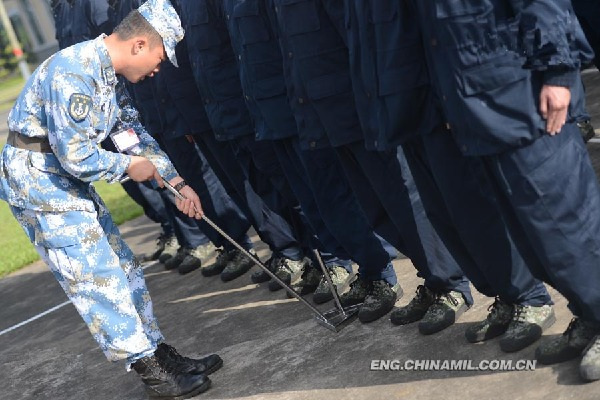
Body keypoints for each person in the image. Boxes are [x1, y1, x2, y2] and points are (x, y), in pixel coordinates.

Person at [0, 0, 222, 398]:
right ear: (138, 44)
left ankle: (157, 352)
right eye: (158, 56)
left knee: (124, 268)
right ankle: (151, 371)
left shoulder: (107, 75)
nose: (157, 69)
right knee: (97, 278)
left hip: (62, 178)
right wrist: (128, 168)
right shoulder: (75, 73)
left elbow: (131, 136)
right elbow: (77, 155)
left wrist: (175, 183)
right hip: (40, 184)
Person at [411, 0, 600, 381]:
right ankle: (589, 314)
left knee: (568, 228)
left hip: (526, 99)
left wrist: (558, 72)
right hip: (480, 109)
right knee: (538, 243)